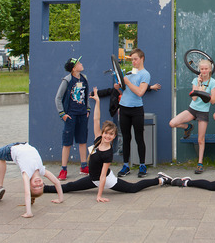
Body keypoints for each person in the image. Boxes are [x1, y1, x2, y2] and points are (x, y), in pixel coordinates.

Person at [44, 88, 172, 200]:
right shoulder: (98, 139)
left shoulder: (108, 153)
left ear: (114, 137)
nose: (107, 136)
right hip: (93, 179)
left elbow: (103, 176)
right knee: (69, 187)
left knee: (133, 188)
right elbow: (96, 119)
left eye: (111, 135)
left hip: (105, 179)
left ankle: (161, 180)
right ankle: (44, 189)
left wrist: (99, 195)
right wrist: (98, 102)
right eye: (106, 133)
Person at [0, 142, 63, 217]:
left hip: (10, 150)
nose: (38, 184)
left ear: (30, 185)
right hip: (20, 145)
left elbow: (27, 193)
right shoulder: (42, 170)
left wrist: (29, 212)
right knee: (1, 158)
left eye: (35, 187)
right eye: (40, 186)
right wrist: (60, 199)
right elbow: (56, 182)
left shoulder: (26, 173)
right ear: (43, 183)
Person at [169, 59, 215, 174]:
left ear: (210, 69)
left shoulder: (213, 82)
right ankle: (187, 127)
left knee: (201, 139)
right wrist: (199, 85)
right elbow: (194, 98)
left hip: (203, 113)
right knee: (172, 123)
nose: (204, 71)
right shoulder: (196, 80)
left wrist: (204, 93)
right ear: (199, 70)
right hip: (192, 110)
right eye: (202, 69)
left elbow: (213, 101)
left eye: (206, 69)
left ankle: (200, 163)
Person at [117, 48, 151, 178]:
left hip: (136, 110)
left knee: (139, 138)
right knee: (126, 138)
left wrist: (128, 82)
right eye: (131, 60)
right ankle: (126, 165)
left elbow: (140, 92)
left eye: (135, 59)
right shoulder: (130, 73)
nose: (133, 62)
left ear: (142, 58)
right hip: (124, 108)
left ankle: (142, 165)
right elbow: (126, 91)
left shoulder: (145, 74)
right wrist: (119, 87)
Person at [55, 56, 90, 180]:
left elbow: (86, 96)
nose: (81, 64)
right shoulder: (67, 80)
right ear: (74, 68)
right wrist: (62, 114)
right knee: (67, 142)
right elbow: (58, 98)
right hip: (71, 115)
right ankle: (63, 169)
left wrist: (88, 109)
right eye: (79, 63)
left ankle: (84, 166)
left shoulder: (84, 79)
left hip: (82, 114)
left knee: (82, 141)